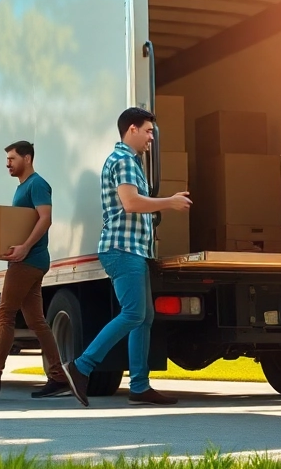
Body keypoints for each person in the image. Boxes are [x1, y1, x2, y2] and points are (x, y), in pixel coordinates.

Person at [61, 107, 192, 407]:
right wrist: (169, 203)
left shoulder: (129, 162)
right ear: (131, 129)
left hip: (132, 250)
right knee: (133, 314)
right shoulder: (123, 160)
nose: (151, 138)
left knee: (143, 318)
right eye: (147, 131)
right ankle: (80, 367)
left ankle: (140, 386)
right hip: (122, 250)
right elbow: (131, 203)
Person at [0, 141, 71, 399]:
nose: (8, 163)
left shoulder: (37, 184)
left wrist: (24, 247)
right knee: (36, 321)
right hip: (28, 260)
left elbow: (45, 218)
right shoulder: (22, 187)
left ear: (27, 158)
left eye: (12, 158)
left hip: (29, 260)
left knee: (5, 312)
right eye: (7, 159)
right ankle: (58, 378)